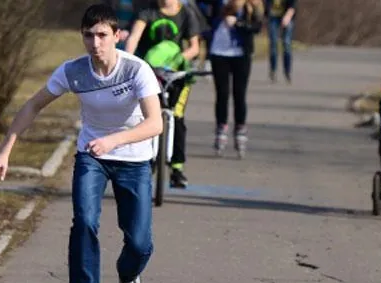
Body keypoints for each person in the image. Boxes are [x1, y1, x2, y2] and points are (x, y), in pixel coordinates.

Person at [0, 4, 162, 283]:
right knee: (84, 222)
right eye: (88, 35)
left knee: (139, 242)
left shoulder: (136, 69)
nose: (95, 43)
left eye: (102, 35)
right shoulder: (73, 71)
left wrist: (114, 139)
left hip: (134, 157)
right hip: (91, 158)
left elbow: (156, 123)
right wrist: (6, 148)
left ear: (117, 36)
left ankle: (129, 273)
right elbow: (33, 105)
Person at [125, 0, 201, 188]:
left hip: (177, 75)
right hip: (150, 73)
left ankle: (177, 168)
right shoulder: (148, 12)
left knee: (177, 116)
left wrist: (178, 60)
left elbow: (194, 47)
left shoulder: (186, 14)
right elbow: (134, 37)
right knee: (147, 118)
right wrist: (127, 61)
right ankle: (145, 163)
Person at [205, 0, 264, 157]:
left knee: (239, 94)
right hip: (219, 52)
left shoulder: (250, 5)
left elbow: (257, 27)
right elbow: (206, 18)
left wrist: (238, 23)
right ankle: (221, 127)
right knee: (222, 94)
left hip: (241, 54)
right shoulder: (218, 3)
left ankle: (240, 128)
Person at [264, 0, 296, 83]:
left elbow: (293, 5)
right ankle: (273, 70)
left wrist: (287, 17)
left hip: (287, 15)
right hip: (273, 17)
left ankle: (287, 71)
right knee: (273, 43)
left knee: (286, 43)